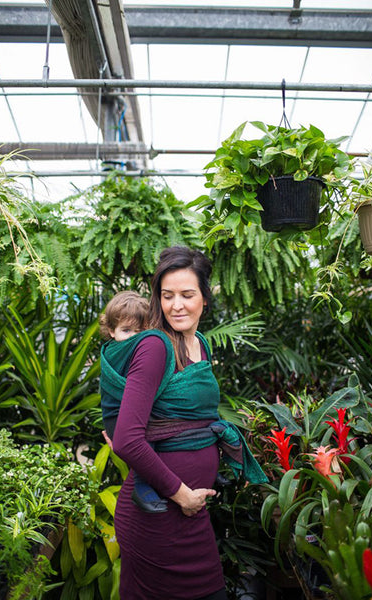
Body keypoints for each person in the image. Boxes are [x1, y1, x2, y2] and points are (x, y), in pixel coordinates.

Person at [108, 246, 267, 600]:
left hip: (189, 516)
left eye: (187, 295)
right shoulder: (155, 347)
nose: (176, 305)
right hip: (158, 516)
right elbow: (127, 441)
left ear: (205, 299)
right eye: (167, 296)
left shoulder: (201, 344)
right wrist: (182, 495)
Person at [99, 290, 168, 513]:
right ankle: (141, 485)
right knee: (147, 441)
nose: (134, 337)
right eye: (126, 330)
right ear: (111, 331)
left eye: (140, 331)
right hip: (116, 417)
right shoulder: (116, 351)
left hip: (129, 412)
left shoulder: (136, 346)